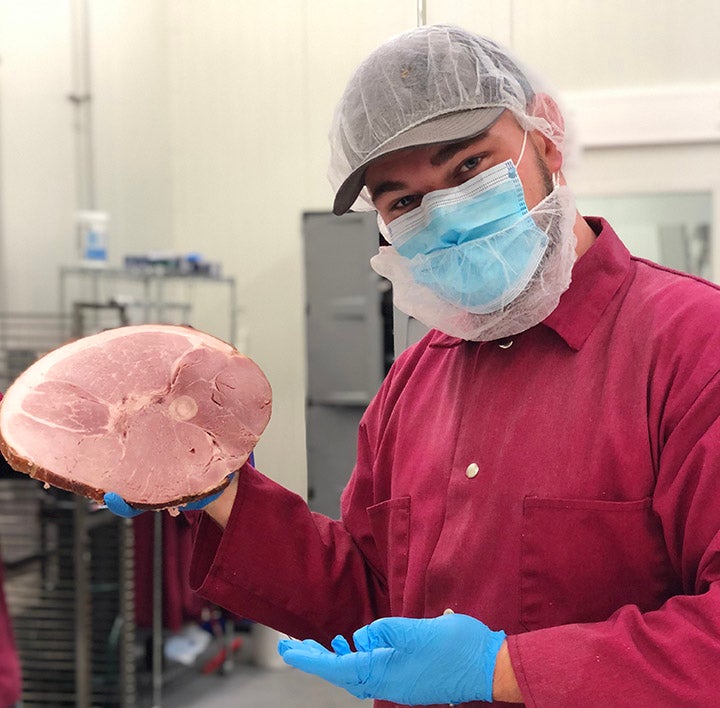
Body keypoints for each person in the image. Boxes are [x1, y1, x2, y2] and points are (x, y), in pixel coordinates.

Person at [107, 24, 720, 706]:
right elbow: (370, 596)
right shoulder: (416, 380)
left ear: (546, 144)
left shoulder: (694, 346)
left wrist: (505, 671)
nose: (447, 214)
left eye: (470, 169)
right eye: (405, 201)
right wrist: (216, 494)